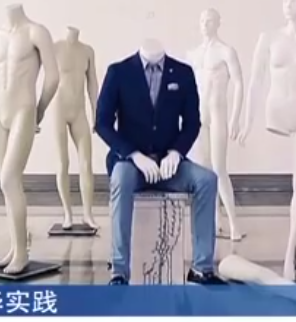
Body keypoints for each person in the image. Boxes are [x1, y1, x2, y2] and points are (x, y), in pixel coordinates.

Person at [95, 40, 224, 285]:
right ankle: (119, 271)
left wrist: (176, 152)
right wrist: (133, 154)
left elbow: (192, 123)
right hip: (131, 164)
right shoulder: (119, 72)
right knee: (120, 178)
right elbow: (102, 123)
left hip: (169, 164)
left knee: (207, 180)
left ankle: (201, 268)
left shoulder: (183, 73)